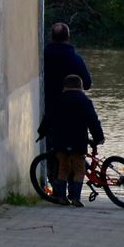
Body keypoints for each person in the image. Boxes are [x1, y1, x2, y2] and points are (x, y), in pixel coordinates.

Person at [39, 74, 104, 206]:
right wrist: (99, 137)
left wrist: (42, 132)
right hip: (78, 140)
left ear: (64, 87)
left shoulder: (58, 100)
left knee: (63, 167)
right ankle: (76, 198)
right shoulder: (85, 101)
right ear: (81, 87)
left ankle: (62, 197)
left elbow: (48, 118)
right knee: (79, 169)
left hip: (60, 140)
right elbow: (93, 121)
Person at [43, 22, 92, 111]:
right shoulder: (76, 59)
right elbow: (87, 84)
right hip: (71, 108)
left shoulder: (41, 58)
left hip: (48, 106)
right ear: (68, 37)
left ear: (51, 37)